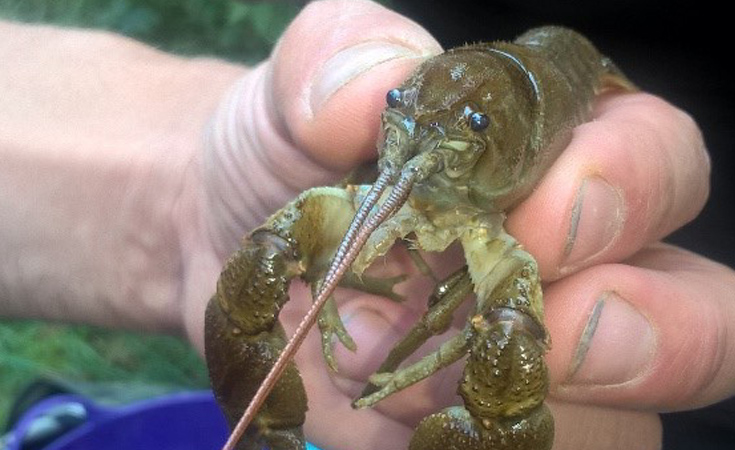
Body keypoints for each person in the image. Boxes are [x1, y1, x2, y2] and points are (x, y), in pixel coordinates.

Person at [0, 1, 731, 449]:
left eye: (472, 129)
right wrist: (189, 203)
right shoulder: (407, 135)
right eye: (396, 110)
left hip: (674, 258)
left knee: (515, 374)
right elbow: (264, 255)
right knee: (267, 255)